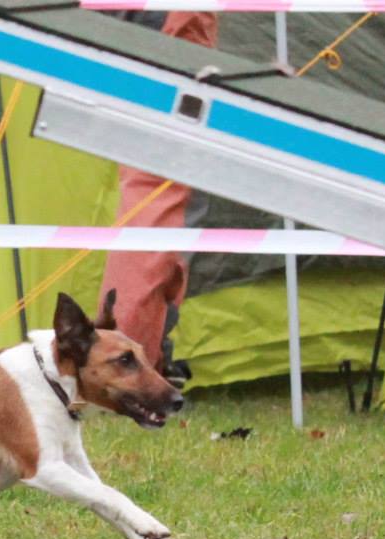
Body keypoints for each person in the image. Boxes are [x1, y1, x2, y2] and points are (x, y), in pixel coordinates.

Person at [98, 12, 218, 386]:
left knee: (151, 208)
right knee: (158, 212)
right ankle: (130, 370)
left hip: (141, 38)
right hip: (169, 42)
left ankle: (137, 358)